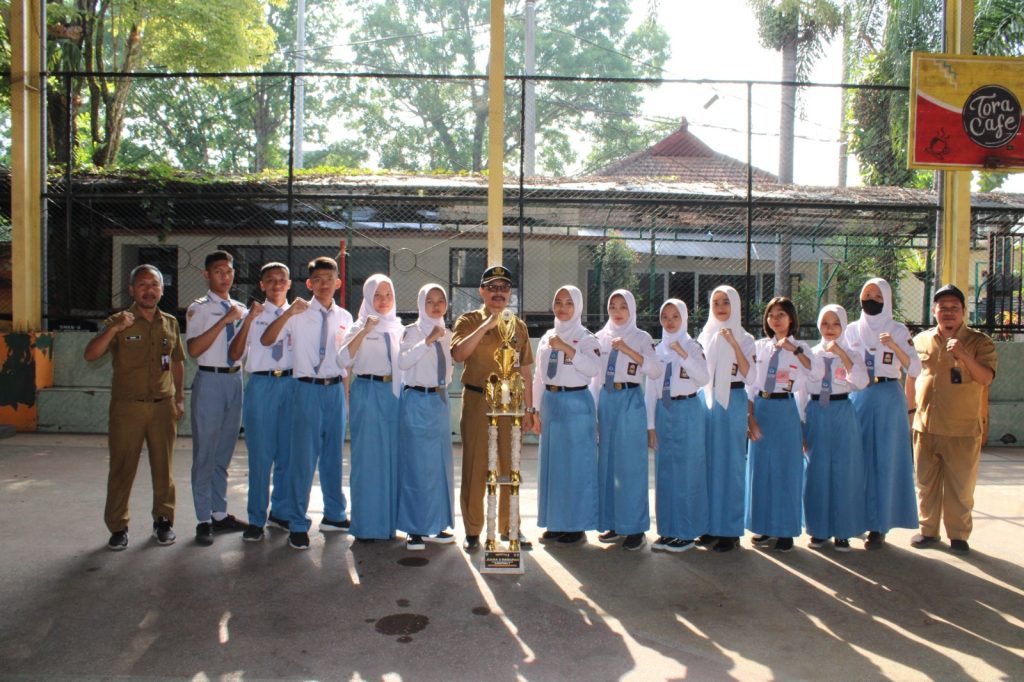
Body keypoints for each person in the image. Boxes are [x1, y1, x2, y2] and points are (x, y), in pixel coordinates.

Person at [84, 264, 185, 550]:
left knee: (163, 468)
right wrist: (115, 328)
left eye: (154, 285)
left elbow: (177, 361)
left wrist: (179, 398)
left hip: (162, 407)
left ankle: (163, 522)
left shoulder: (170, 322)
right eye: (142, 285)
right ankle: (118, 527)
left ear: (162, 290)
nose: (149, 290)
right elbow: (91, 355)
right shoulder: (119, 320)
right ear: (131, 290)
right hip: (127, 408)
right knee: (122, 467)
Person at [261, 257, 353, 551]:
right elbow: (267, 339)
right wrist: (287, 315)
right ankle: (298, 522)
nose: (325, 284)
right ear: (309, 284)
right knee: (303, 458)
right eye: (318, 280)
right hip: (306, 390)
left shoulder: (345, 318)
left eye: (330, 279)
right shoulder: (296, 313)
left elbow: (347, 362)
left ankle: (335, 514)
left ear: (338, 283)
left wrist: (346, 400)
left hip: (335, 390)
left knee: (333, 456)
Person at [907, 284, 997, 554]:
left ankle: (958, 535)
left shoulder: (981, 342)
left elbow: (985, 378)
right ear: (934, 311)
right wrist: (910, 412)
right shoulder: (921, 340)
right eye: (942, 308)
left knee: (960, 487)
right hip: (925, 426)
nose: (948, 313)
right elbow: (913, 378)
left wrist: (964, 355)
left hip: (962, 429)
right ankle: (928, 531)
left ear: (963, 312)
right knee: (925, 483)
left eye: (954, 308)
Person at [451, 265, 535, 552]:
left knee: (508, 467)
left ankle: (510, 528)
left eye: (504, 288)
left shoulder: (519, 326)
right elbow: (459, 354)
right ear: (482, 291)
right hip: (477, 399)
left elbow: (525, 369)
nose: (499, 293)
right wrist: (486, 326)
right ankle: (473, 530)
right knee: (476, 465)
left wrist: (530, 409)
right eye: (493, 287)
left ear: (509, 293)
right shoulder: (468, 320)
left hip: (510, 403)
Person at [844, 277, 921, 549]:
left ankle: (880, 525)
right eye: (867, 294)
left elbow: (915, 369)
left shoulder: (898, 330)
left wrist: (895, 347)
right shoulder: (851, 329)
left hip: (888, 397)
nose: (871, 299)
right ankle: (855, 520)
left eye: (878, 295)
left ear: (887, 299)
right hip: (858, 396)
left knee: (885, 460)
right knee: (858, 459)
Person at [746, 297, 823, 553]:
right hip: (762, 409)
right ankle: (764, 525)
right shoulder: (759, 347)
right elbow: (750, 385)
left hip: (786, 410)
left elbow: (815, 374)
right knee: (762, 470)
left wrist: (794, 350)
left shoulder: (801, 347)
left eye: (781, 314)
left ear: (791, 319)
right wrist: (750, 416)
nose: (775, 319)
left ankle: (786, 529)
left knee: (786, 471)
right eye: (771, 314)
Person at [227, 262, 295, 542]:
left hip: (292, 384)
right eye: (271, 280)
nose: (277, 284)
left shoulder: (300, 314)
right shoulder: (251, 314)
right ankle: (256, 518)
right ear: (262, 285)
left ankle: (280, 511)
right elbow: (234, 354)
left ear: (290, 284)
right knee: (260, 456)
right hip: (262, 385)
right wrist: (248, 322)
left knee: (288, 455)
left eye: (282, 280)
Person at [591, 289, 662, 552]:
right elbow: (595, 379)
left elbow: (655, 371)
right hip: (607, 400)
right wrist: (596, 413)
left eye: (623, 307)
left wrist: (631, 351)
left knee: (630, 465)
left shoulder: (641, 337)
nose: (617, 312)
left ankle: (634, 527)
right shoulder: (599, 337)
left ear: (631, 310)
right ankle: (613, 522)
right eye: (613, 306)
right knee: (608, 464)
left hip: (631, 398)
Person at [531, 286, 601, 547]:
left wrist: (567, 349)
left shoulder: (586, 338)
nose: (562, 308)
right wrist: (535, 410)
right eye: (558, 302)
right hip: (551, 402)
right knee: (553, 466)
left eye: (568, 303)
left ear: (578, 307)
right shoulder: (548, 335)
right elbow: (540, 376)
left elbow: (593, 368)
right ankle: (556, 521)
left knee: (576, 466)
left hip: (576, 403)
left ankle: (576, 525)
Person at [186, 251, 247, 546]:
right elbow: (194, 349)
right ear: (207, 275)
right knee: (205, 454)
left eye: (229, 271)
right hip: (210, 379)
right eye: (218, 271)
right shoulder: (199, 309)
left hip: (235, 380)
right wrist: (225, 320)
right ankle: (202, 519)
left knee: (224, 451)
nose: (225, 276)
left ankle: (219, 513)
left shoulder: (241, 308)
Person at [798, 304, 869, 552]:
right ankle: (818, 529)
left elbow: (861, 381)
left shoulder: (852, 354)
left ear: (844, 326)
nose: (830, 328)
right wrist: (801, 425)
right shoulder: (811, 354)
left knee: (844, 472)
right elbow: (802, 391)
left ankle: (843, 530)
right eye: (825, 323)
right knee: (816, 472)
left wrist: (842, 353)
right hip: (816, 413)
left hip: (842, 413)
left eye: (835, 323)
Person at [339, 274, 403, 543]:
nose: (384, 300)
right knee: (367, 461)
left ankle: (388, 524)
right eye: (377, 295)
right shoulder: (357, 327)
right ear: (367, 297)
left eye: (388, 295)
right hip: (367, 392)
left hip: (393, 396)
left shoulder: (399, 327)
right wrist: (365, 330)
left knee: (391, 459)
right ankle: (366, 525)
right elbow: (342, 358)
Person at [645, 299, 710, 553]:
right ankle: (668, 530)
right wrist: (650, 425)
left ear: (684, 318)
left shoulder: (692, 347)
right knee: (665, 473)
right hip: (664, 411)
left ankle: (687, 532)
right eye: (665, 317)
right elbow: (651, 388)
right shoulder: (657, 350)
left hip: (688, 410)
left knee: (687, 471)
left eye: (675, 317)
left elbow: (703, 378)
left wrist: (683, 355)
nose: (670, 322)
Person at [396, 284, 457, 550]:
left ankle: (436, 523)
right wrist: (428, 340)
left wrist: (439, 337)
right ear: (421, 304)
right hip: (416, 400)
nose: (435, 305)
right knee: (416, 467)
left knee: (438, 466)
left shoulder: (449, 334)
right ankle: (415, 528)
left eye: (440, 300)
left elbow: (450, 370)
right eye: (430, 301)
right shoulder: (411, 332)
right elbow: (403, 362)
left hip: (439, 401)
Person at [697, 285, 756, 553]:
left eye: (726, 302)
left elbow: (750, 374)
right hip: (707, 402)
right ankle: (709, 526)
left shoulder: (745, 338)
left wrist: (732, 343)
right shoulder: (704, 335)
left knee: (730, 465)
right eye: (716, 302)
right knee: (708, 463)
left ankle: (730, 530)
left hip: (732, 401)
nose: (720, 307)